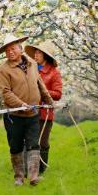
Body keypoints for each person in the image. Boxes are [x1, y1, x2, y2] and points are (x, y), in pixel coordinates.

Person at [0, 34, 54, 186]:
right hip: (14, 115)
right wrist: (20, 104)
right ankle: (19, 177)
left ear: (20, 48)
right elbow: (6, 93)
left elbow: (39, 82)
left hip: (33, 113)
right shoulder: (3, 70)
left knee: (34, 144)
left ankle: (34, 177)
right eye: (7, 50)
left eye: (13, 48)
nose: (10, 52)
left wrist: (48, 100)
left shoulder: (32, 64)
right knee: (15, 146)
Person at [24, 41, 62, 174]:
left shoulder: (54, 72)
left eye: (39, 52)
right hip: (29, 111)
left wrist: (41, 91)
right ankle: (28, 169)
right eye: (35, 52)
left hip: (45, 113)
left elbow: (57, 94)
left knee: (42, 142)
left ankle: (42, 168)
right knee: (28, 140)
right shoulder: (30, 69)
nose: (36, 54)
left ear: (46, 55)